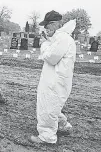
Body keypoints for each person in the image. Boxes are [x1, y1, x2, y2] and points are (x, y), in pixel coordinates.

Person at [30, 10, 76, 144]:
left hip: (55, 80)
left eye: (47, 25)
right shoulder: (61, 38)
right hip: (56, 78)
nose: (46, 28)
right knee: (53, 105)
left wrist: (44, 43)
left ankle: (46, 137)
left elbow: (51, 57)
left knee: (48, 106)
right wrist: (49, 39)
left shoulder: (63, 39)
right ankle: (63, 125)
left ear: (54, 24)